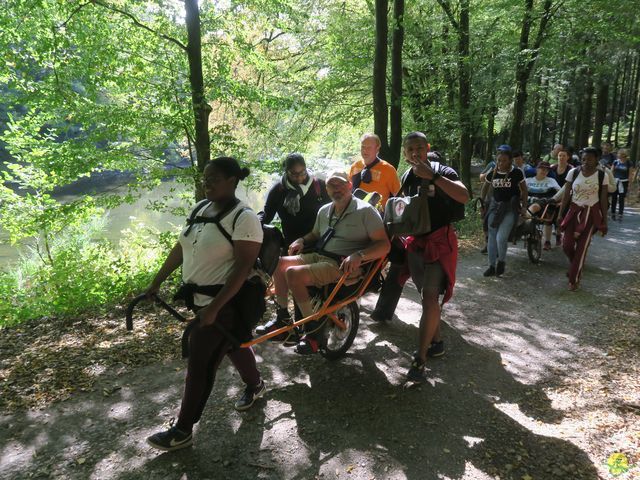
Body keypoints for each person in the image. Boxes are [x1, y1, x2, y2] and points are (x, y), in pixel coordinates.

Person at [145, 157, 266, 451]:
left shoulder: (244, 218)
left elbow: (241, 268)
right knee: (233, 344)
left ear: (232, 181)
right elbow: (182, 247)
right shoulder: (200, 208)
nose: (206, 182)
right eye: (204, 177)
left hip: (226, 304)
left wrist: (214, 309)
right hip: (200, 301)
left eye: (213, 178)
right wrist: (156, 281)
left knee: (200, 363)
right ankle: (255, 384)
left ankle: (183, 430)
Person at [255, 170, 390, 354]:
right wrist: (302, 240)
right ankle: (283, 319)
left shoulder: (366, 211)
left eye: (340, 184)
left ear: (350, 185)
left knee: (293, 274)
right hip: (321, 256)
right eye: (331, 185)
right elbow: (317, 234)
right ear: (326, 189)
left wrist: (359, 255)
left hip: (343, 265)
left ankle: (313, 333)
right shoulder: (325, 210)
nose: (336, 189)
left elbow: (384, 245)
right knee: (280, 264)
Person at [397, 132, 470, 381]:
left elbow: (464, 196)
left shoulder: (444, 171)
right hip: (416, 245)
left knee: (430, 296)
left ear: (427, 148)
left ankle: (420, 359)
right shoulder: (406, 177)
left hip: (440, 244)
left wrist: (435, 178)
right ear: (406, 155)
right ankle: (436, 341)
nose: (416, 153)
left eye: (420, 148)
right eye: (411, 150)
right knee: (425, 298)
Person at [559, 147, 608, 291]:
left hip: (592, 215)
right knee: (566, 245)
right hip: (573, 212)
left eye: (590, 159)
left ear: (596, 159)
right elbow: (566, 195)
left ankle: (573, 279)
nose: (586, 162)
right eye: (583, 159)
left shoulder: (601, 175)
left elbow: (603, 199)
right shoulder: (573, 172)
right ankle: (576, 265)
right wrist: (561, 214)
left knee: (581, 248)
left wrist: (604, 220)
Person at [259, 153, 330, 248]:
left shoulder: (319, 187)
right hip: (291, 245)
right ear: (286, 172)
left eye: (303, 173)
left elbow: (333, 213)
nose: (299, 178)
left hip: (318, 244)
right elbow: (267, 215)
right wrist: (254, 221)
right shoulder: (278, 190)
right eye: (294, 174)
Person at [481, 146, 528, 277]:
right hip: (494, 209)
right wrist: (483, 202)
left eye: (504, 161)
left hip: (510, 209)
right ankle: (491, 266)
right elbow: (485, 188)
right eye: (499, 160)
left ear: (510, 161)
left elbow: (524, 191)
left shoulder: (517, 173)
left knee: (501, 238)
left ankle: (501, 262)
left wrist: (524, 206)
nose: (501, 163)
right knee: (491, 237)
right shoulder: (493, 173)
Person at [349, 133, 401, 209]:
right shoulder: (355, 166)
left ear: (377, 148)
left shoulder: (388, 169)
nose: (365, 150)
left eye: (369, 147)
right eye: (363, 146)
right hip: (355, 212)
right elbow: (348, 188)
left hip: (377, 214)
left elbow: (398, 195)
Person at [525, 161, 561, 250]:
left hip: (544, 203)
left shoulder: (551, 181)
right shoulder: (528, 180)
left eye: (547, 170)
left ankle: (547, 241)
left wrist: (560, 202)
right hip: (527, 201)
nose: (544, 171)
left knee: (536, 207)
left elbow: (560, 192)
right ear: (537, 169)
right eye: (542, 169)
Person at [610, 148, 631, 220]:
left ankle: (620, 214)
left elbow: (630, 174)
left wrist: (629, 184)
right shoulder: (615, 162)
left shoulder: (628, 163)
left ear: (623, 155)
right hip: (615, 182)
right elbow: (611, 172)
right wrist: (611, 181)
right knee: (614, 198)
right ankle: (613, 213)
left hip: (624, 182)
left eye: (619, 153)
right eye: (618, 153)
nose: (618, 155)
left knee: (621, 198)